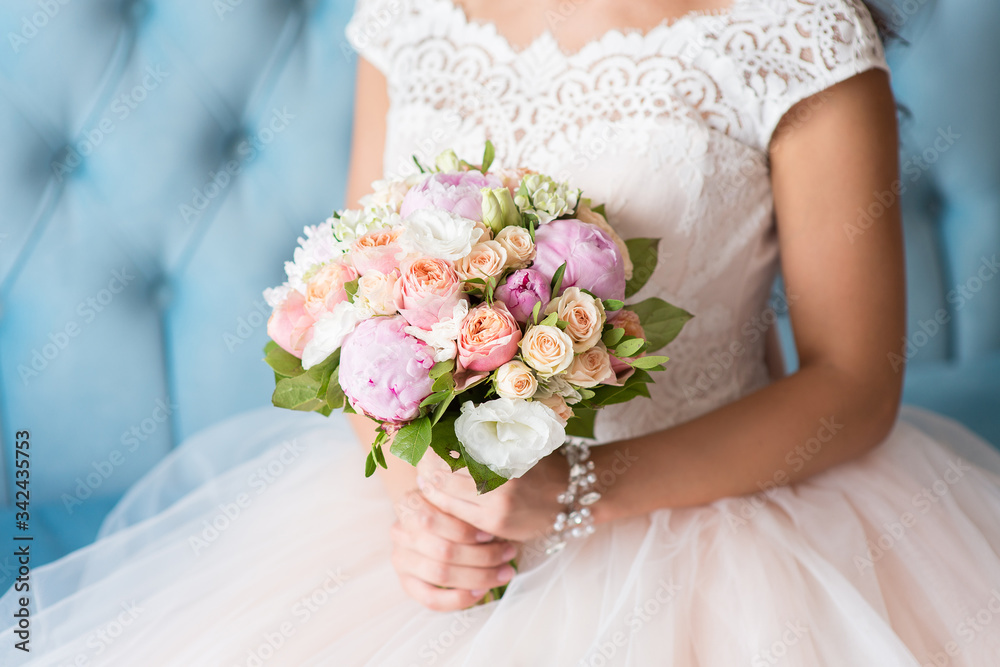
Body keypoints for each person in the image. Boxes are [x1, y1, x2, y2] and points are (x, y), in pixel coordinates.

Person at [4, 0, 1000, 664]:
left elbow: (852, 381)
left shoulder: (797, 31)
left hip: (718, 515)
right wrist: (426, 502)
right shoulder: (413, 20)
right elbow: (363, 311)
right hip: (438, 520)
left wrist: (569, 493)